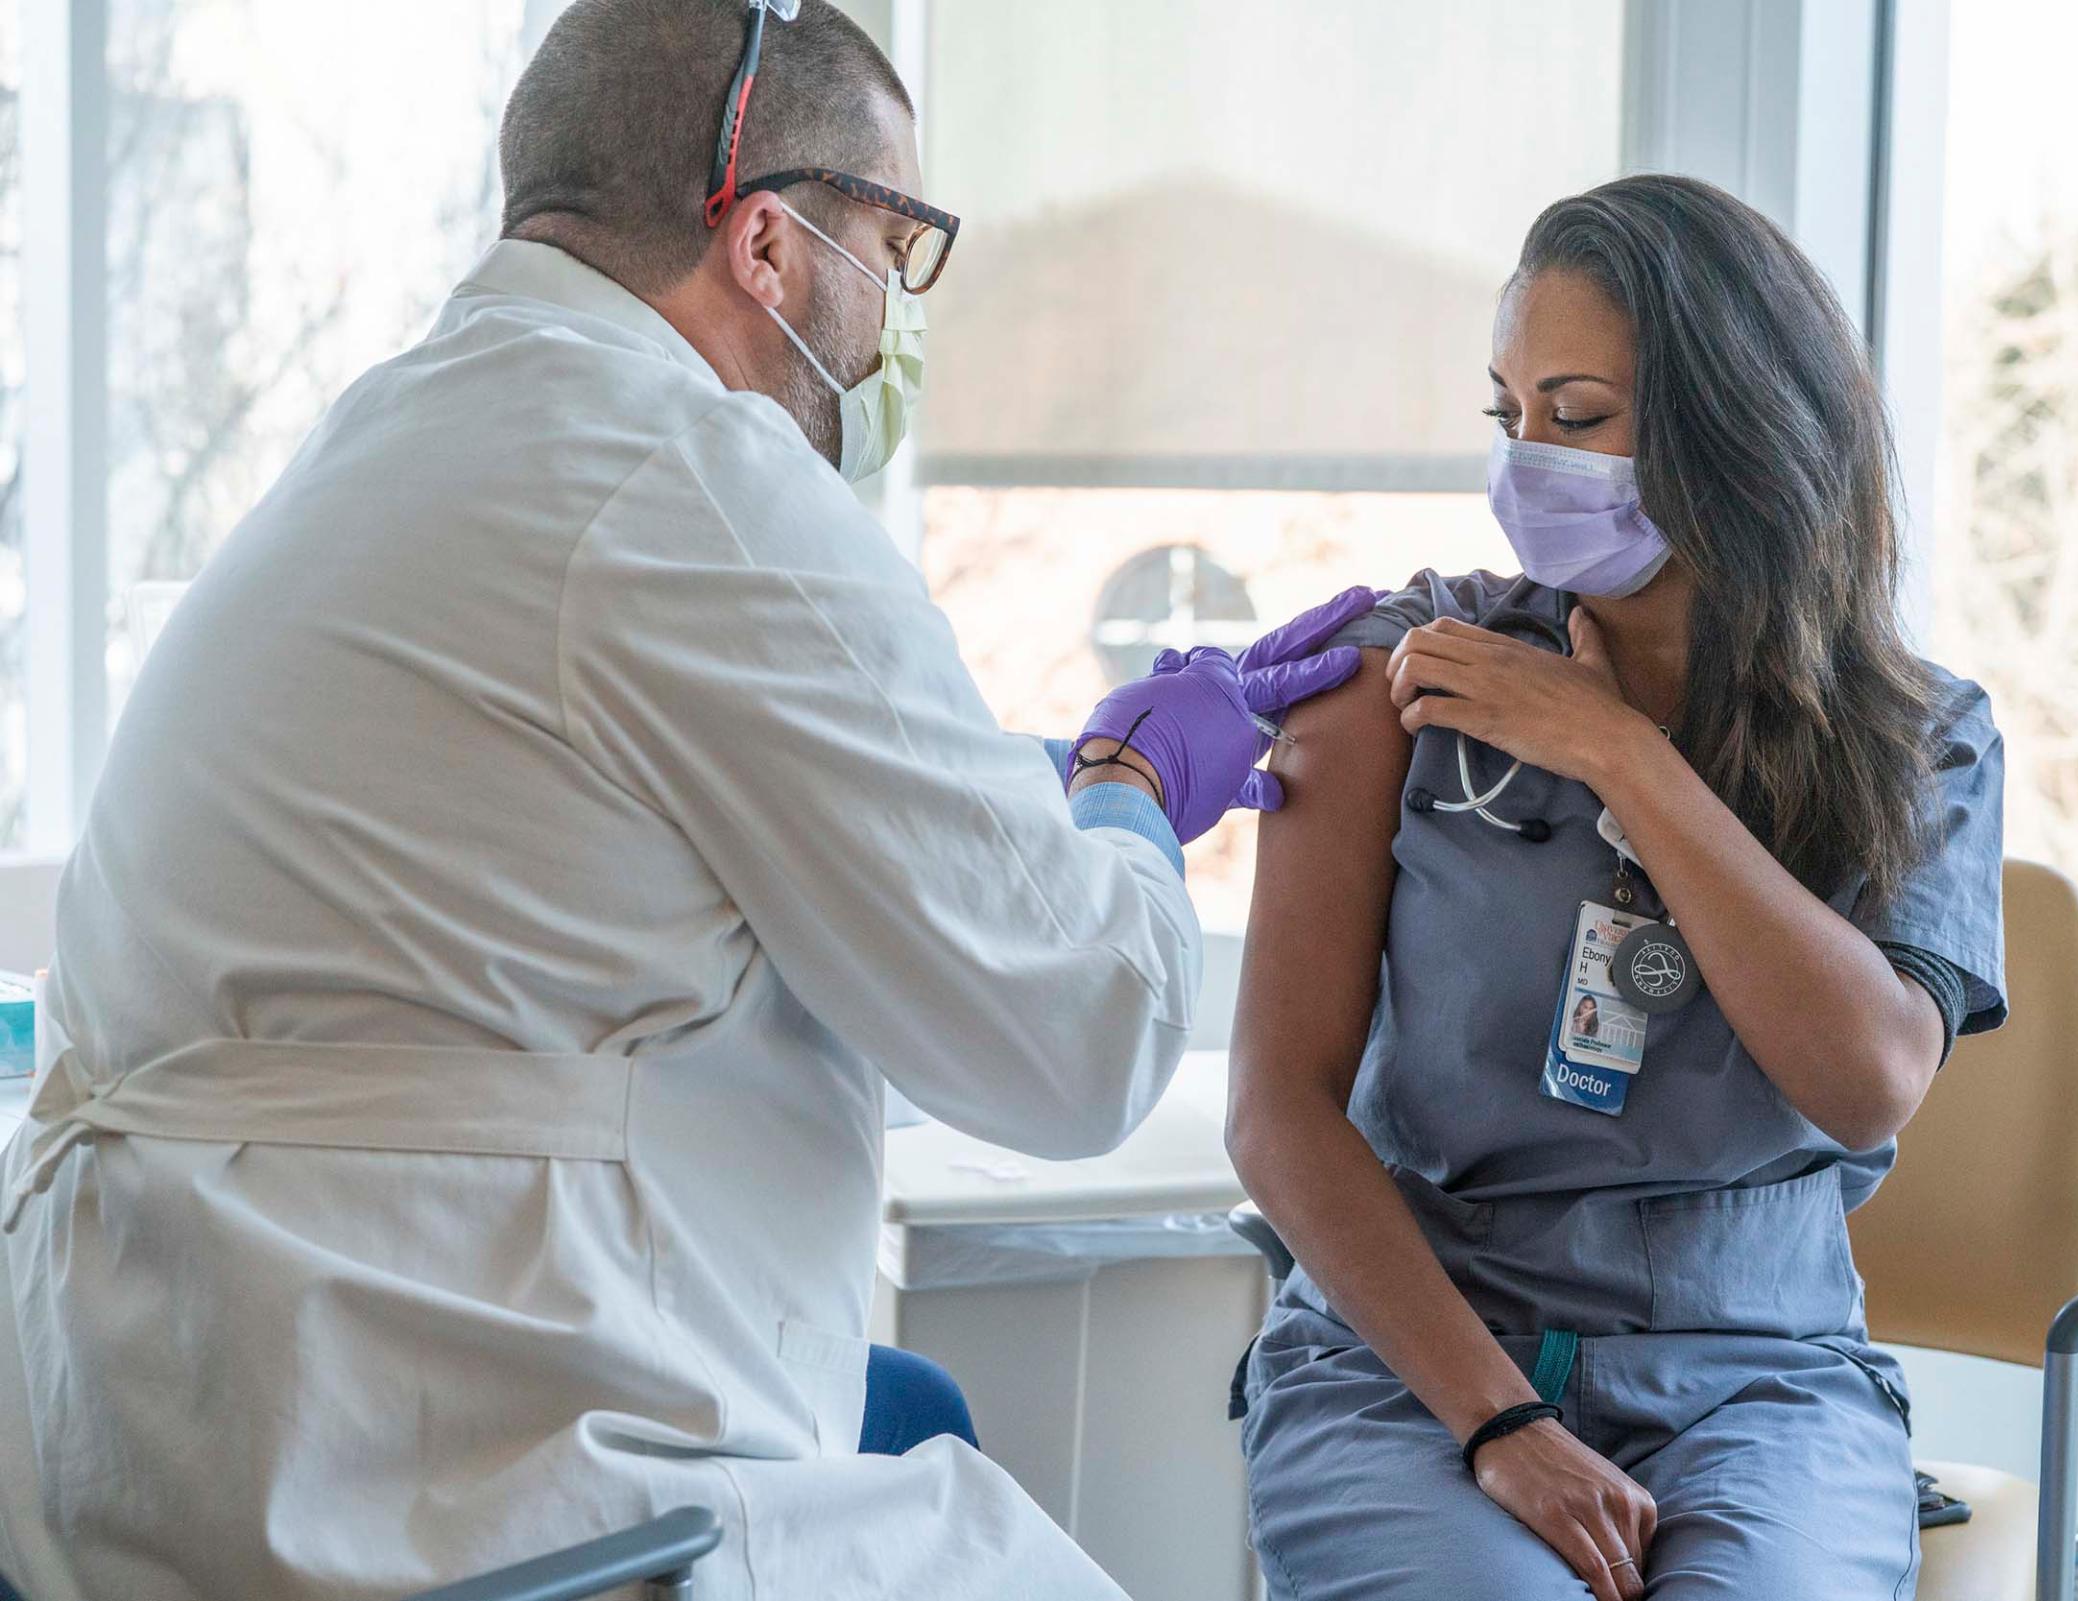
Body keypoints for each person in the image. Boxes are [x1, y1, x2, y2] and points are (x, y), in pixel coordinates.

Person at [0, 3, 1373, 1598]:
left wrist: (1028, 809)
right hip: (439, 1487)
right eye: (896, 240)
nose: (898, 321)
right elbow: (1077, 1034)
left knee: (914, 1414)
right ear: (771, 247)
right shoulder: (693, 483)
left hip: (149, 1431)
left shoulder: (391, 442)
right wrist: (1135, 794)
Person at [1228, 174, 2006, 1601]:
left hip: (1760, 1380)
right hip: (1416, 1366)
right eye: (1509, 415)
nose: (1530, 462)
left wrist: (1624, 761)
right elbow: (1277, 1108)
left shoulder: (1920, 735)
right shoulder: (1402, 680)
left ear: (1738, 428)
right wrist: (1501, 1418)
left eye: (1576, 417)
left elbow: (1869, 1076)